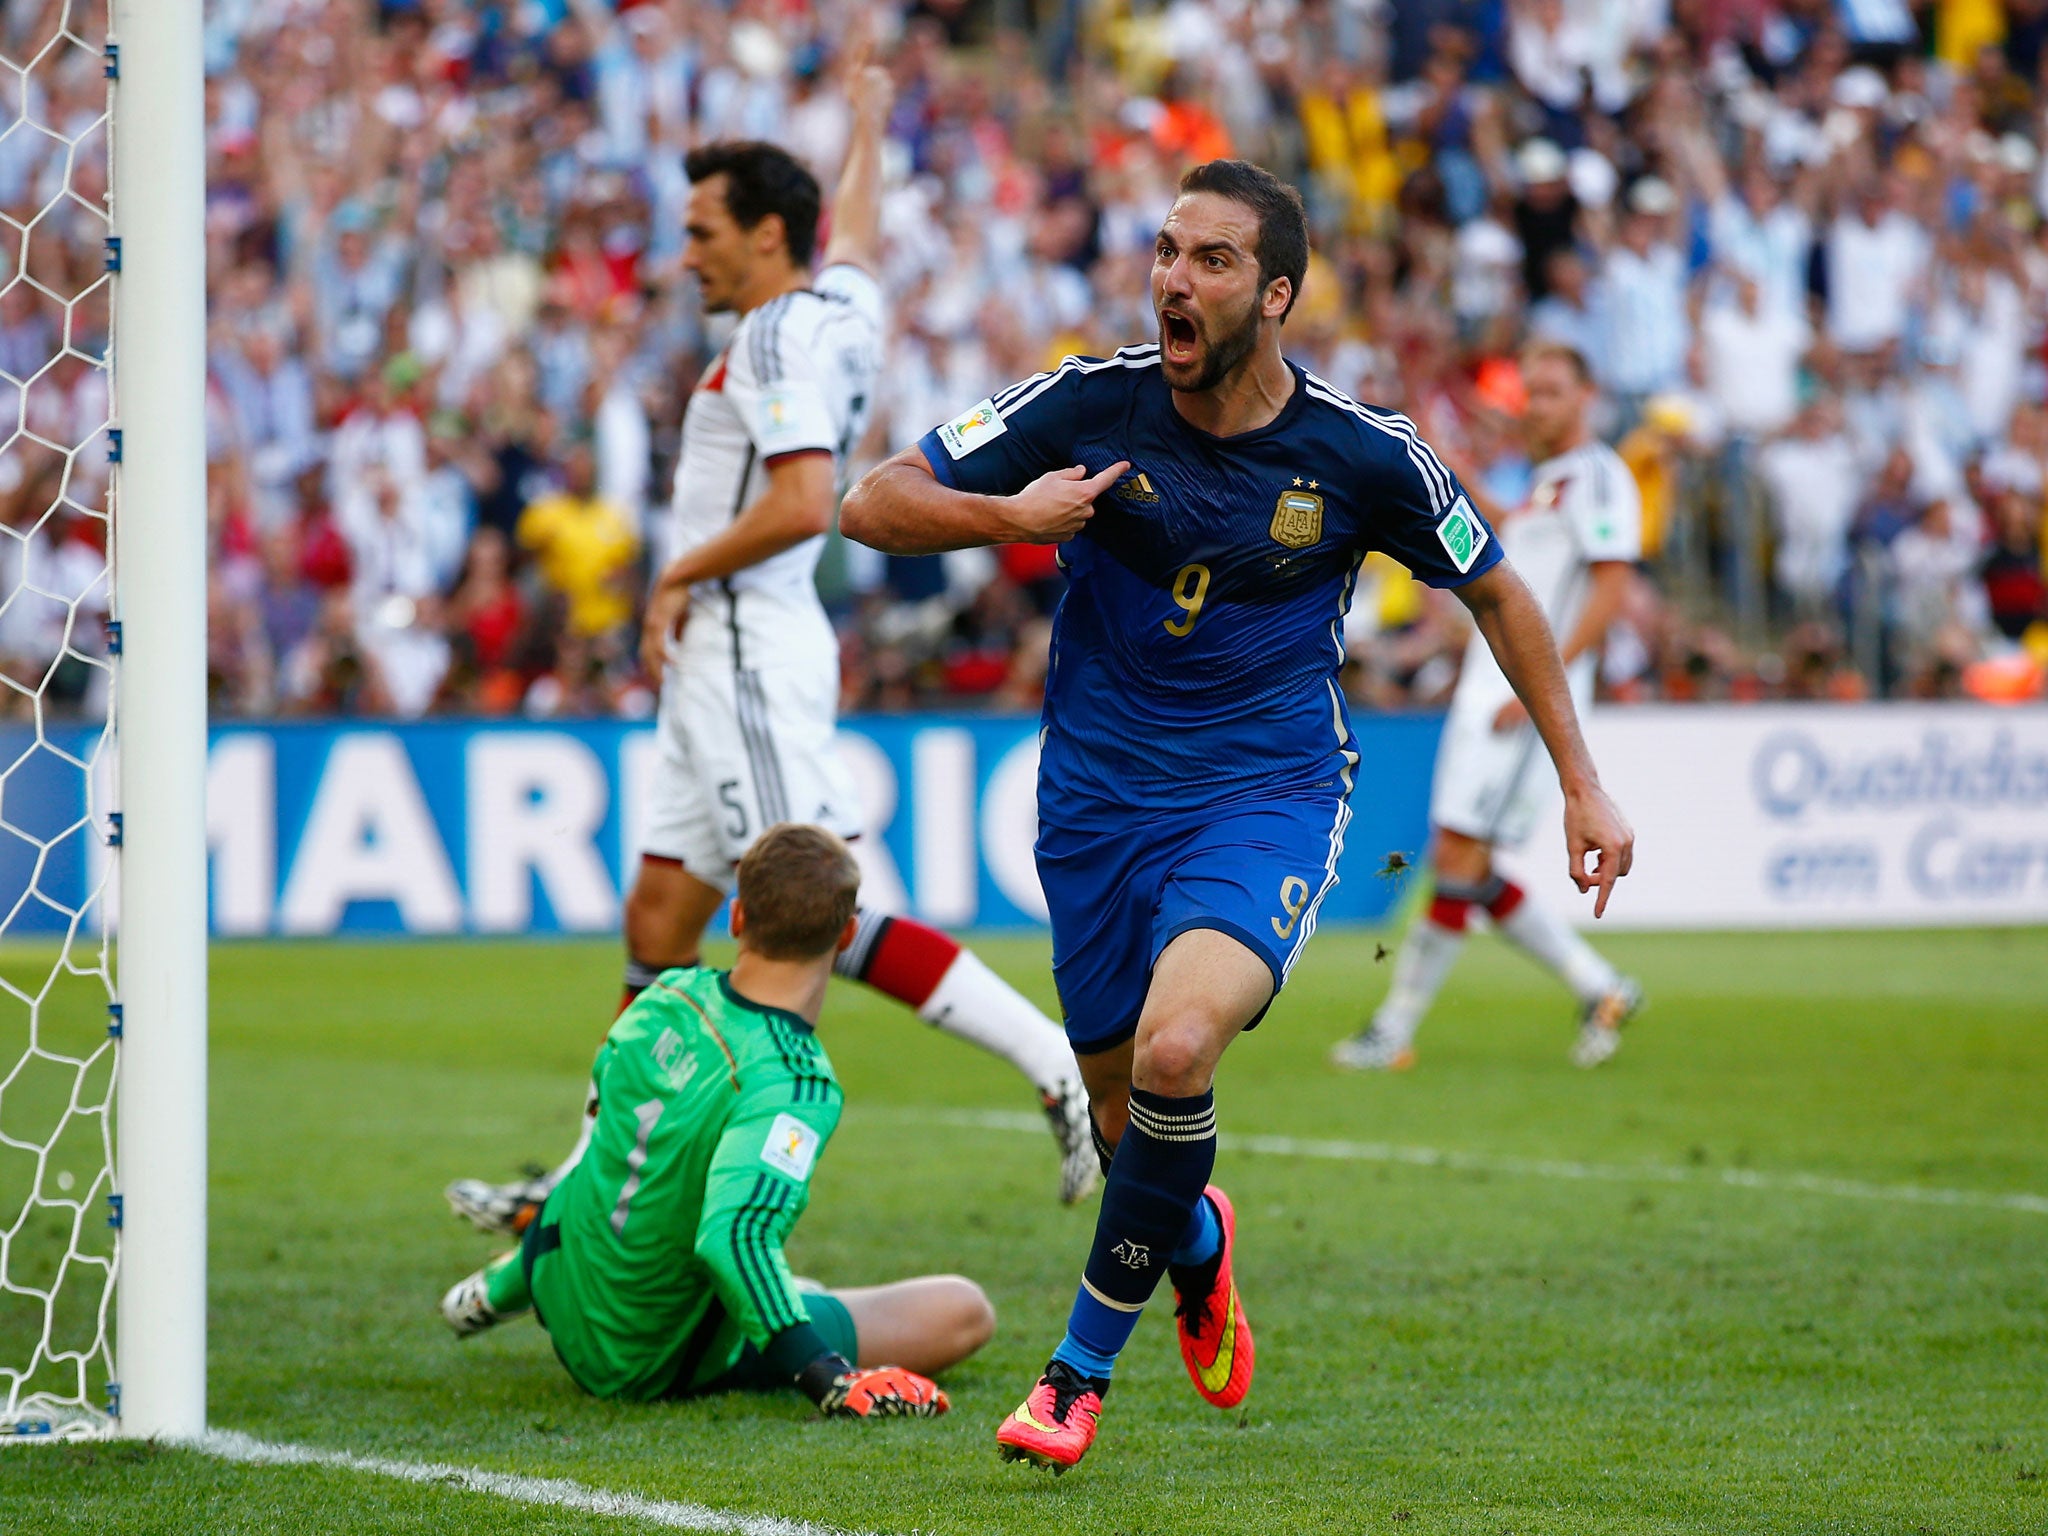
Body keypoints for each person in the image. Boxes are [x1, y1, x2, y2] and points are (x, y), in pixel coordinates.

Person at [840, 161, 1634, 1472]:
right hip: (1093, 802)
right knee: (1120, 1122)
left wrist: (1581, 777)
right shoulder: (1093, 402)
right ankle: (1198, 1244)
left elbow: (1498, 591)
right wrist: (1010, 514)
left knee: (1176, 1050)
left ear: (1274, 295)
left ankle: (1072, 1380)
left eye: (1208, 259)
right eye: (1164, 250)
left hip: (1263, 795)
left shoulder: (1363, 453)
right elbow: (871, 501)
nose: (1171, 278)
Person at [445, 62, 1096, 1224]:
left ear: (760, 237)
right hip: (726, 661)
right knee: (657, 918)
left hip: (743, 645)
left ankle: (1057, 1067)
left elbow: (805, 501)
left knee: (820, 917)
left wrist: (673, 577)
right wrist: (862, 123)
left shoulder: (769, 346)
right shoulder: (833, 310)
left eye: (701, 231)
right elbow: (852, 234)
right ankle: (590, 1188)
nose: (682, 253)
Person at [440, 823, 990, 1416]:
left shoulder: (664, 997)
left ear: (736, 918)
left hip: (565, 1289)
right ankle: (772, 1318)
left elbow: (603, 1143)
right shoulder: (792, 1081)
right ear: (847, 935)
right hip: (643, 1358)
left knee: (631, 1160)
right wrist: (825, 1375)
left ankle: (499, 1287)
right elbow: (731, 1239)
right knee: (964, 1309)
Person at [1334, 342, 1644, 1075]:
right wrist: (1445, 459)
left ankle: (1394, 1027)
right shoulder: (1551, 483)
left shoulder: (1600, 475)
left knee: (1459, 856)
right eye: (1528, 393)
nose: (1534, 406)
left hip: (1524, 695)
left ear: (1585, 397)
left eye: (1550, 393)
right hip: (1491, 685)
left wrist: (1544, 689)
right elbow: (1510, 535)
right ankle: (1602, 987)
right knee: (1462, 860)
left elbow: (1609, 586)